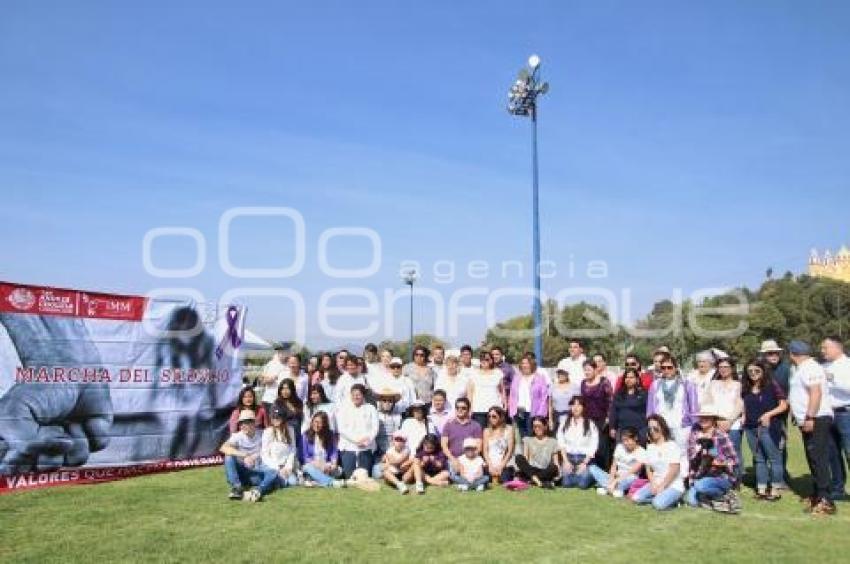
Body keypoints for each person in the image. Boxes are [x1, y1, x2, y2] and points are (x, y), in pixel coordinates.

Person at [788, 340, 836, 515]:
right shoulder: (802, 368)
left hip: (817, 419)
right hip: (808, 419)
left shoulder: (810, 367)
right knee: (813, 458)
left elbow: (816, 392)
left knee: (818, 458)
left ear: (792, 354)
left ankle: (826, 500)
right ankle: (817, 494)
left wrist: (810, 417)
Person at [742, 358, 788, 499]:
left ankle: (775, 489)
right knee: (759, 459)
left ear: (763, 371)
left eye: (757, 370)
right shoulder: (746, 388)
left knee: (774, 459)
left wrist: (768, 414)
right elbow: (744, 405)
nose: (753, 373)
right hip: (750, 428)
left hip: (769, 427)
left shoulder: (772, 385)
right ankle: (761, 488)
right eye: (750, 371)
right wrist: (743, 416)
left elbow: (783, 405)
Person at [685, 404, 739, 511]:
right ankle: (712, 498)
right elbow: (691, 458)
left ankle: (724, 494)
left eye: (707, 418)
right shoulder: (694, 434)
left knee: (700, 487)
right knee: (692, 501)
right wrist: (698, 451)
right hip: (700, 475)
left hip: (720, 475)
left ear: (713, 420)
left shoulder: (721, 435)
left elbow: (734, 460)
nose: (703, 420)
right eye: (701, 417)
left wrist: (721, 462)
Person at [220, 409, 278, 502]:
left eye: (246, 423)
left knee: (273, 472)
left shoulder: (262, 434)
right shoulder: (237, 436)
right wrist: (245, 455)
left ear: (254, 423)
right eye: (241, 423)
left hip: (257, 471)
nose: (243, 426)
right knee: (229, 457)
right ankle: (237, 488)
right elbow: (223, 448)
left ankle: (258, 491)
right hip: (242, 471)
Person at [631, 414, 685, 510]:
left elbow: (674, 469)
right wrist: (652, 483)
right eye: (649, 429)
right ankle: (661, 499)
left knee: (658, 505)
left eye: (655, 428)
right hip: (656, 482)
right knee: (636, 498)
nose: (652, 431)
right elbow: (648, 468)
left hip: (673, 484)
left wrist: (662, 486)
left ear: (662, 428)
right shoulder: (650, 447)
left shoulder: (672, 446)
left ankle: (675, 500)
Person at [646, 354, 699, 451]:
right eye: (663, 368)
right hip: (661, 425)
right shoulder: (655, 385)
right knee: (662, 453)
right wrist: (651, 425)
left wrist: (694, 427)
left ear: (676, 368)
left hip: (681, 426)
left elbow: (694, 408)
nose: (666, 370)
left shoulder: (687, 384)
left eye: (669, 367)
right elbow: (650, 408)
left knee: (681, 455)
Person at [758, 339, 792, 483]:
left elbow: (793, 390)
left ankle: (781, 477)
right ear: (764, 355)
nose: (773, 355)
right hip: (760, 413)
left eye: (776, 353)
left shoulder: (787, 368)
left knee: (780, 445)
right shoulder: (759, 368)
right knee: (760, 446)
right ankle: (764, 477)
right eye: (770, 353)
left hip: (780, 413)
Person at [706, 357, 744, 482]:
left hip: (733, 424)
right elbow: (708, 402)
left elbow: (740, 403)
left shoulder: (738, 385)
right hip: (716, 423)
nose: (723, 370)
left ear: (732, 368)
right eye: (721, 367)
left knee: (734, 451)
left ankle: (736, 478)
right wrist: (715, 420)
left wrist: (730, 421)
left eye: (726, 367)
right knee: (717, 451)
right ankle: (721, 477)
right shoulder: (713, 384)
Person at [822, 336, 850, 501]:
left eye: (825, 347)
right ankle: (838, 488)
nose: (822, 351)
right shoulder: (824, 366)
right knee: (832, 454)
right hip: (828, 415)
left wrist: (832, 378)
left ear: (837, 347)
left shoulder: (847, 365)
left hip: (846, 413)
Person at [336, 384, 379, 479]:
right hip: (348, 447)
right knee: (349, 476)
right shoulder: (343, 408)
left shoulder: (371, 408)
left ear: (363, 395)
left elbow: (375, 428)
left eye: (358, 394)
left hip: (366, 447)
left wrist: (368, 439)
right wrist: (356, 440)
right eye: (353, 394)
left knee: (364, 476)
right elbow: (341, 429)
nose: (356, 397)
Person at [589, 427, 645, 497]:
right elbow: (613, 466)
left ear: (635, 438)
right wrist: (611, 479)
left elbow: (631, 472)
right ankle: (614, 489)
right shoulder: (619, 447)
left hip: (628, 477)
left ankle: (607, 488)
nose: (625, 443)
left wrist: (615, 481)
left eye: (627, 440)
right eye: (623, 441)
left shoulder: (642, 452)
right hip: (617, 475)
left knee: (632, 479)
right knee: (592, 468)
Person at [557, 396, 597, 489]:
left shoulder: (590, 424)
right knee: (566, 484)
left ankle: (589, 473)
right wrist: (566, 461)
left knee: (582, 485)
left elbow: (594, 445)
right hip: (569, 457)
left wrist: (584, 463)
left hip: (584, 458)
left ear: (583, 407)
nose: (575, 407)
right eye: (573, 405)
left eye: (579, 405)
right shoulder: (564, 422)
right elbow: (561, 442)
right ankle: (574, 474)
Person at [441, 397, 484, 482]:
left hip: (471, 459)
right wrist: (453, 459)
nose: (460, 410)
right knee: (455, 472)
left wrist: (467, 460)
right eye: (457, 408)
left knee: (466, 473)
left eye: (463, 408)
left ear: (468, 409)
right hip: (453, 458)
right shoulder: (448, 425)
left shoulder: (476, 425)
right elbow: (444, 446)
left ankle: (463, 479)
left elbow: (479, 447)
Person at [508, 352, 550, 438]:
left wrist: (541, 413)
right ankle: (525, 451)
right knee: (522, 435)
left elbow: (544, 397)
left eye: (527, 363)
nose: (524, 365)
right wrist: (511, 410)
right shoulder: (517, 378)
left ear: (532, 364)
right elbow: (512, 395)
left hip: (534, 412)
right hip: (519, 411)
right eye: (523, 363)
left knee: (532, 434)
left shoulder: (539, 378)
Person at [581, 359, 613, 468]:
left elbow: (610, 401)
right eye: (585, 370)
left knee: (602, 445)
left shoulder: (604, 382)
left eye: (589, 370)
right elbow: (582, 402)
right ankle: (592, 470)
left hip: (602, 419)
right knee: (590, 445)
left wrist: (608, 418)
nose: (586, 372)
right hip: (588, 419)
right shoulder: (583, 383)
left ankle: (604, 470)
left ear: (595, 369)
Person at [513, 416, 560, 488]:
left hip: (544, 470)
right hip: (531, 469)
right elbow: (526, 458)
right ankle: (539, 482)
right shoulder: (528, 440)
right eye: (535, 427)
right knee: (519, 457)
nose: (537, 429)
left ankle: (532, 481)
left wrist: (559, 473)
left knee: (554, 467)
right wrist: (523, 468)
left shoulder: (553, 441)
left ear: (545, 426)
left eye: (539, 426)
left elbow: (556, 462)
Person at [300, 412, 344, 488]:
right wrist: (318, 464)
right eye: (315, 422)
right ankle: (331, 482)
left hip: (326, 466)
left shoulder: (330, 435)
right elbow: (304, 456)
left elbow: (334, 453)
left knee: (339, 470)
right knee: (308, 468)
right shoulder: (305, 435)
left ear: (324, 424)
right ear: (312, 422)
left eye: (320, 423)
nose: (316, 425)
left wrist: (333, 464)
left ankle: (315, 481)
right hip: (312, 465)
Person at [261, 405, 299, 489]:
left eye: (278, 417)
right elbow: (264, 454)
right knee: (283, 479)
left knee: (293, 482)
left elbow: (292, 450)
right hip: (272, 464)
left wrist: (288, 467)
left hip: (285, 464)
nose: (275, 419)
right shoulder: (268, 431)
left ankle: (276, 481)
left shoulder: (290, 430)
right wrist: (277, 467)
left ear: (283, 418)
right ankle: (272, 480)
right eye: (273, 417)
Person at [608, 368, 648, 443]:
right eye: (626, 377)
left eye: (631, 377)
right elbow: (613, 411)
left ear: (637, 379)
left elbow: (648, 411)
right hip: (622, 430)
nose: (628, 379)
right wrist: (612, 427)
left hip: (640, 430)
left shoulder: (643, 394)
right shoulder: (618, 394)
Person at [468, 350, 505, 428]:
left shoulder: (498, 373)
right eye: (482, 359)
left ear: (491, 360)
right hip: (479, 409)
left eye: (487, 359)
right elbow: (470, 392)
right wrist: (470, 408)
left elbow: (502, 390)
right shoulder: (474, 374)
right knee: (480, 434)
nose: (484, 361)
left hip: (496, 408)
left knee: (496, 434)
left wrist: (505, 405)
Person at [482, 406, 515, 484]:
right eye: (489, 416)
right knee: (485, 477)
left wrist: (501, 466)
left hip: (504, 462)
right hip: (490, 463)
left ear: (501, 417)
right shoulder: (486, 431)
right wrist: (490, 466)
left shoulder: (509, 429)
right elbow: (485, 451)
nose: (491, 419)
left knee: (505, 479)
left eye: (494, 416)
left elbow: (510, 450)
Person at [372, 389, 403, 471]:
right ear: (380, 402)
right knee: (377, 473)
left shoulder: (398, 417)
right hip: (379, 452)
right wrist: (382, 453)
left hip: (395, 451)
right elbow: (373, 436)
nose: (387, 403)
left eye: (390, 401)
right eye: (384, 401)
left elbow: (400, 437)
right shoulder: (375, 415)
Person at [273, 379, 304, 451]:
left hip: (297, 433)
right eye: (283, 389)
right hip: (283, 434)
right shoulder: (277, 403)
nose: (285, 391)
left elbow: (301, 417)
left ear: (292, 389)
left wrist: (294, 410)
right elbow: (275, 419)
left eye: (287, 389)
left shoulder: (298, 402)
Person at [260, 345, 288, 415]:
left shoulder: (289, 366)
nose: (282, 354)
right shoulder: (271, 364)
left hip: (283, 401)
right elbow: (262, 380)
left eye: (284, 352)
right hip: (269, 399)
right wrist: (272, 378)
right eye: (280, 352)